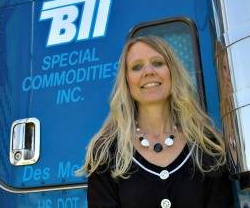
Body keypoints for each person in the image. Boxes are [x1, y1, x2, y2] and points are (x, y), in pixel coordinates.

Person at [79, 35, 233, 208]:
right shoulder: (106, 153)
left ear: (172, 72)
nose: (149, 71)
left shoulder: (207, 145)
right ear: (127, 81)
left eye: (158, 63)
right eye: (137, 67)